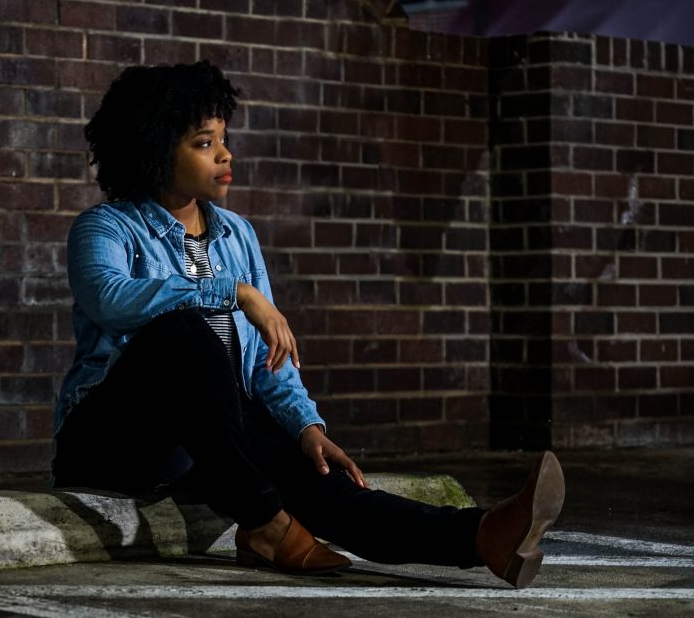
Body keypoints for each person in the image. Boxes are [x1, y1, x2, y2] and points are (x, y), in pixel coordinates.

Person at [51, 60, 565, 588]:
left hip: (206, 441)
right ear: (155, 149)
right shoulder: (104, 227)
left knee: (320, 478)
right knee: (183, 334)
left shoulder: (236, 236)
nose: (226, 154)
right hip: (112, 444)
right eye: (204, 143)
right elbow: (111, 299)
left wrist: (305, 425)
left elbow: (267, 359)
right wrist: (234, 292)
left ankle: (482, 537)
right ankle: (267, 526)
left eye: (223, 139)